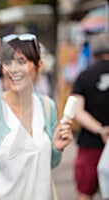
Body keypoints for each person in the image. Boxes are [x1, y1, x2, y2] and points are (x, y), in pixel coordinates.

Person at [0, 33, 74, 200]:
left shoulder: (47, 107)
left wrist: (56, 148)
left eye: (22, 61)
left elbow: (44, 164)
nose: (13, 69)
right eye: (7, 62)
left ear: (39, 65)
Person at [71, 32, 109, 200]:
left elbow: (77, 111)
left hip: (90, 143)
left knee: (85, 193)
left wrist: (102, 130)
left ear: (92, 52)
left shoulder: (84, 76)